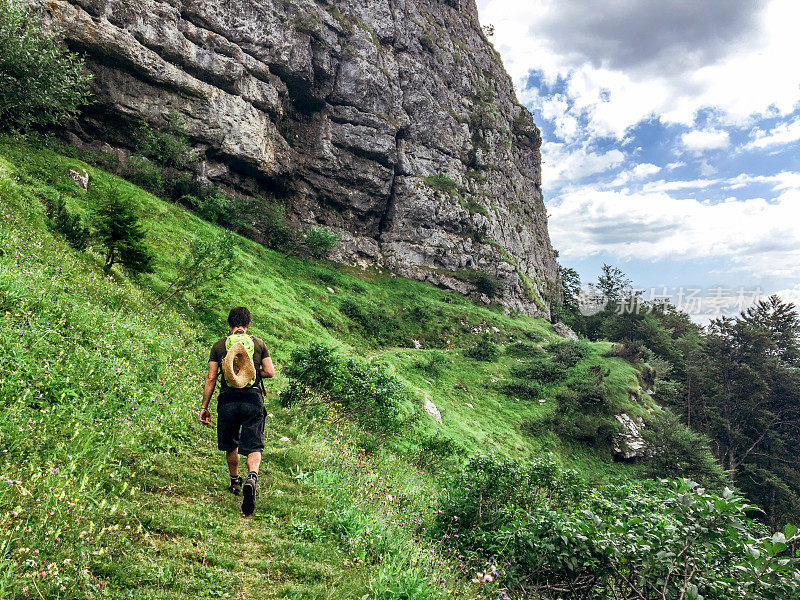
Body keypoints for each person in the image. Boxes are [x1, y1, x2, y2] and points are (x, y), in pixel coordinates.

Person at [199, 306, 274, 516]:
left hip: (228, 400)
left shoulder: (219, 346)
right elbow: (270, 372)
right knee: (254, 443)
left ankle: (235, 481)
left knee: (231, 443)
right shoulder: (258, 344)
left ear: (230, 324)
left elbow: (211, 377)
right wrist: (250, 371)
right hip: (252, 399)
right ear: (248, 324)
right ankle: (252, 477)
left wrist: (204, 406)